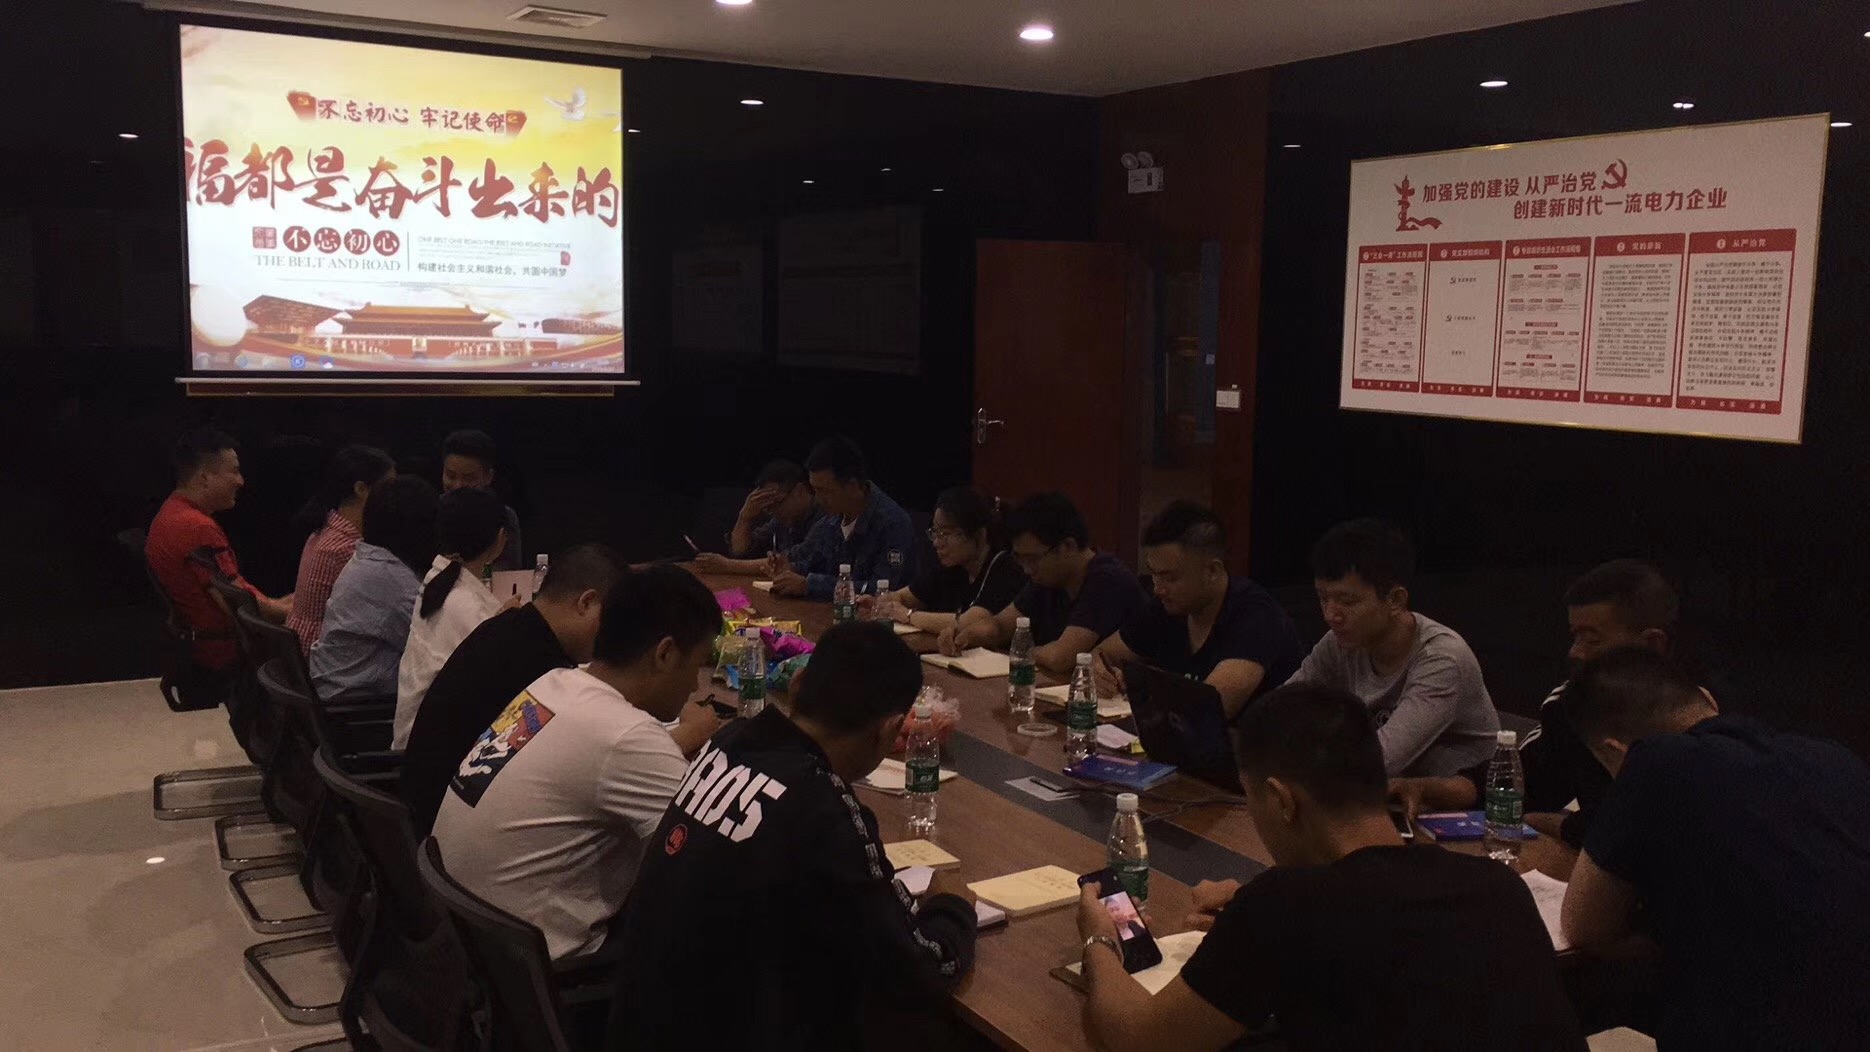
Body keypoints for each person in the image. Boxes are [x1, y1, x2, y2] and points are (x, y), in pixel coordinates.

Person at [1078, 681, 1585, 1052]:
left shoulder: (1282, 908)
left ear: (1282, 801)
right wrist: (1249, 911)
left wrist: (1099, 939)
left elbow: (1139, 1039)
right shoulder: (1496, 884)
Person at [606, 621, 977, 1049]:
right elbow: (920, 972)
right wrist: (953, 907)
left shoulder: (730, 741)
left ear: (797, 685)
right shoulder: (821, 805)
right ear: (891, 729)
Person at [1560, 648, 1870, 1051]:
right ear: (1708, 699)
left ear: (1614, 751)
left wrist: (1656, 938)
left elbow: (1583, 925)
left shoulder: (1653, 760)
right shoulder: (1835, 758)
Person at [429, 565, 729, 961]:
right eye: (696, 665)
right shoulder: (628, 737)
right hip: (534, 970)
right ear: (665, 653)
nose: (694, 685)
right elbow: (715, 863)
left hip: (461, 941)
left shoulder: (553, 683)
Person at [1391, 559, 1678, 846]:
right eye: (1575, 636)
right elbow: (1523, 782)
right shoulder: (1570, 706)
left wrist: (1554, 824)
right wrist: (1425, 788)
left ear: (1652, 644)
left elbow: (1644, 829)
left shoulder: (1693, 725)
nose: (1576, 652)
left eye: (1592, 640)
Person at [400, 543, 623, 836]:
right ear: (587, 603)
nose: (615, 637)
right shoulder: (542, 670)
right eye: (615, 621)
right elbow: (594, 758)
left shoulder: (506, 629)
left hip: (427, 819)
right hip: (449, 830)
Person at [1286, 518, 1498, 777]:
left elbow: (1379, 762)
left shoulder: (1442, 658)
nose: (1331, 615)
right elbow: (1277, 712)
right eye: (1322, 598)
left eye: (1347, 602)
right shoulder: (1340, 643)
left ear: (1395, 600)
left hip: (1465, 797)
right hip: (1385, 789)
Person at [1093, 501, 1304, 719]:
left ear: (1213, 570)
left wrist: (1146, 686)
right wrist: (1099, 673)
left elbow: (1210, 710)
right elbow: (1099, 655)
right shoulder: (1165, 606)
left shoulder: (1256, 616)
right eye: (1153, 574)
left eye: (1170, 578)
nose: (1158, 588)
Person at [942, 491, 1146, 675]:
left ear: (1068, 546)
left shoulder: (1107, 579)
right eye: (1020, 559)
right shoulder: (1047, 578)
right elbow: (1000, 625)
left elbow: (1060, 658)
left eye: (1032, 559)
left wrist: (1021, 651)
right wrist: (965, 635)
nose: (1026, 569)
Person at [145, 428, 291, 679]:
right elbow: (238, 605)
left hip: (201, 648)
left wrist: (280, 604)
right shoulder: (198, 528)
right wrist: (296, 614)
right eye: (234, 471)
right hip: (229, 654)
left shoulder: (170, 513)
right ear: (204, 478)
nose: (240, 481)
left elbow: (235, 591)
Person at [392, 486, 511, 748]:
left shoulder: (436, 578)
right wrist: (508, 624)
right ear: (500, 539)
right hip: (434, 751)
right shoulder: (465, 604)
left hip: (419, 739)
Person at [309, 476, 438, 704]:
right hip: (358, 708)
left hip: (337, 694)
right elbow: (435, 644)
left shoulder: (367, 559)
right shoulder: (389, 577)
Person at [766, 437, 920, 600]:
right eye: (815, 491)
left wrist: (809, 585)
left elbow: (883, 589)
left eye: (825, 492)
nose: (818, 499)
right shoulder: (832, 520)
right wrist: (790, 569)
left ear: (852, 486)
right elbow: (817, 564)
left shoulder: (892, 524)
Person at [868, 486, 1024, 635]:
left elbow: (971, 622)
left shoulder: (1005, 569)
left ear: (980, 535)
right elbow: (902, 597)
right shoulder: (950, 566)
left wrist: (908, 615)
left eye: (945, 533)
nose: (936, 543)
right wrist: (877, 603)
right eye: (935, 532)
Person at [285, 444, 396, 655]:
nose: (394, 496)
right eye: (388, 487)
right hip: (321, 653)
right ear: (361, 489)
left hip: (302, 650)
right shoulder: (345, 548)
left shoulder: (326, 529)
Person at [440, 428, 523, 572]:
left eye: (468, 478)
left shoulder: (504, 517)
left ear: (488, 477)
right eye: (451, 476)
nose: (458, 485)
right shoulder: (429, 511)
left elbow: (509, 571)